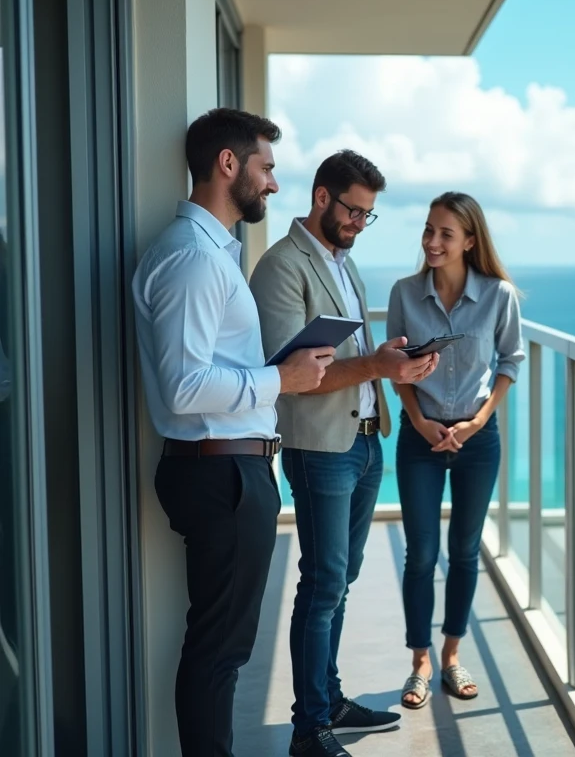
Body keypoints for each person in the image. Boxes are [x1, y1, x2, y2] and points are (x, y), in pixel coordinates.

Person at [131, 108, 335, 757]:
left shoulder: (211, 254)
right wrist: (284, 382)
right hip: (220, 473)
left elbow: (208, 371)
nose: (273, 184)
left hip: (228, 468)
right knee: (219, 651)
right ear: (228, 164)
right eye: (266, 167)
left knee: (222, 647)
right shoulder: (194, 260)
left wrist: (283, 373)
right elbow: (184, 387)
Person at [248, 150, 438, 757]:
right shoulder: (281, 267)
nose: (359, 223)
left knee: (341, 580)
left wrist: (396, 364)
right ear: (322, 197)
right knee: (323, 583)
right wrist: (376, 363)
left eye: (368, 216)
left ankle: (328, 699)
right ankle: (310, 729)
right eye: (354, 211)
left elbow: (350, 354)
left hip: (361, 440)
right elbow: (290, 371)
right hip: (319, 448)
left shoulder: (342, 263)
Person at [386, 191, 524, 710]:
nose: (433, 241)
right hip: (419, 439)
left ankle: (450, 655)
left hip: (477, 440)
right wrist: (420, 420)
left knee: (465, 551)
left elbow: (510, 361)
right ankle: (419, 662)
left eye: (445, 233)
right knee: (420, 553)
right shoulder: (404, 293)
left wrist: (479, 419)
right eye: (428, 230)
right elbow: (395, 367)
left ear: (470, 240)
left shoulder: (499, 295)